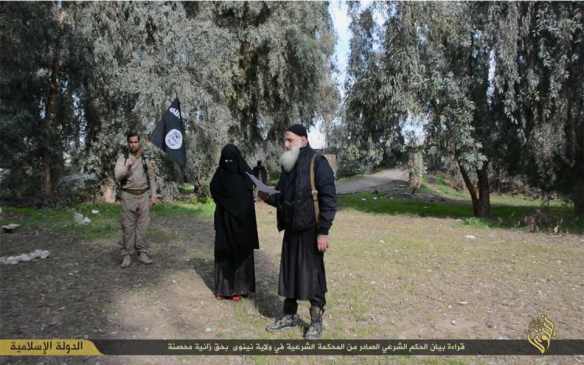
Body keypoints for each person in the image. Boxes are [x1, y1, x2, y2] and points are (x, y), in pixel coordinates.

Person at [259, 124, 336, 340]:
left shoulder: (318, 163)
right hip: (291, 229)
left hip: (312, 231)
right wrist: (266, 196)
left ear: (304, 140)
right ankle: (289, 315)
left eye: (289, 140)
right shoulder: (288, 164)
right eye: (285, 140)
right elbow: (283, 197)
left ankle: (316, 322)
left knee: (314, 276)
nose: (285, 144)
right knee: (290, 272)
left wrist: (323, 231)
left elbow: (329, 200)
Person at [210, 144, 259, 301]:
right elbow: (214, 191)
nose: (229, 162)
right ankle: (225, 290)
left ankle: (241, 288)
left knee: (241, 254)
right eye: (226, 159)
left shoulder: (245, 175)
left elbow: (248, 198)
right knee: (225, 253)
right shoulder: (220, 175)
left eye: (232, 158)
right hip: (225, 222)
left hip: (242, 223)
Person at [114, 131, 159, 268]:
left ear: (139, 142)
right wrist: (127, 167)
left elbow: (151, 177)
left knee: (143, 226)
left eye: (135, 142)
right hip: (128, 196)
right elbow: (118, 176)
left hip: (144, 196)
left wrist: (154, 195)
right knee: (128, 226)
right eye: (131, 142)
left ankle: (142, 252)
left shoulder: (146, 158)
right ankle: (127, 255)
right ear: (128, 143)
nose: (133, 144)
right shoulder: (123, 158)